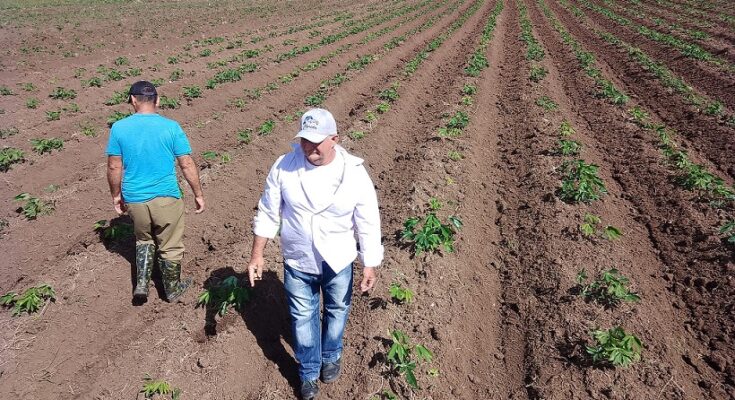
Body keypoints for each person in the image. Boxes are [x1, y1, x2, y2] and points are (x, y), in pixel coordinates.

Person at [246, 108, 383, 400]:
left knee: (336, 310)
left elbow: (368, 220)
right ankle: (308, 372)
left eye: (315, 142)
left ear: (335, 138)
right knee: (303, 317)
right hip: (298, 259)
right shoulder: (284, 166)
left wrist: (370, 263)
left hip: (339, 259)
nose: (308, 147)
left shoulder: (355, 173)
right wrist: (257, 255)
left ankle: (331, 353)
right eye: (304, 140)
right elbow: (268, 212)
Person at [106, 80, 205, 303]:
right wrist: (198, 193)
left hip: (135, 199)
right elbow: (186, 163)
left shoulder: (119, 128)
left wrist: (116, 195)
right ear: (157, 100)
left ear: (132, 100)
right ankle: (171, 289)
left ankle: (142, 284)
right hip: (166, 196)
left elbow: (114, 166)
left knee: (143, 239)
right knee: (169, 246)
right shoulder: (171, 127)